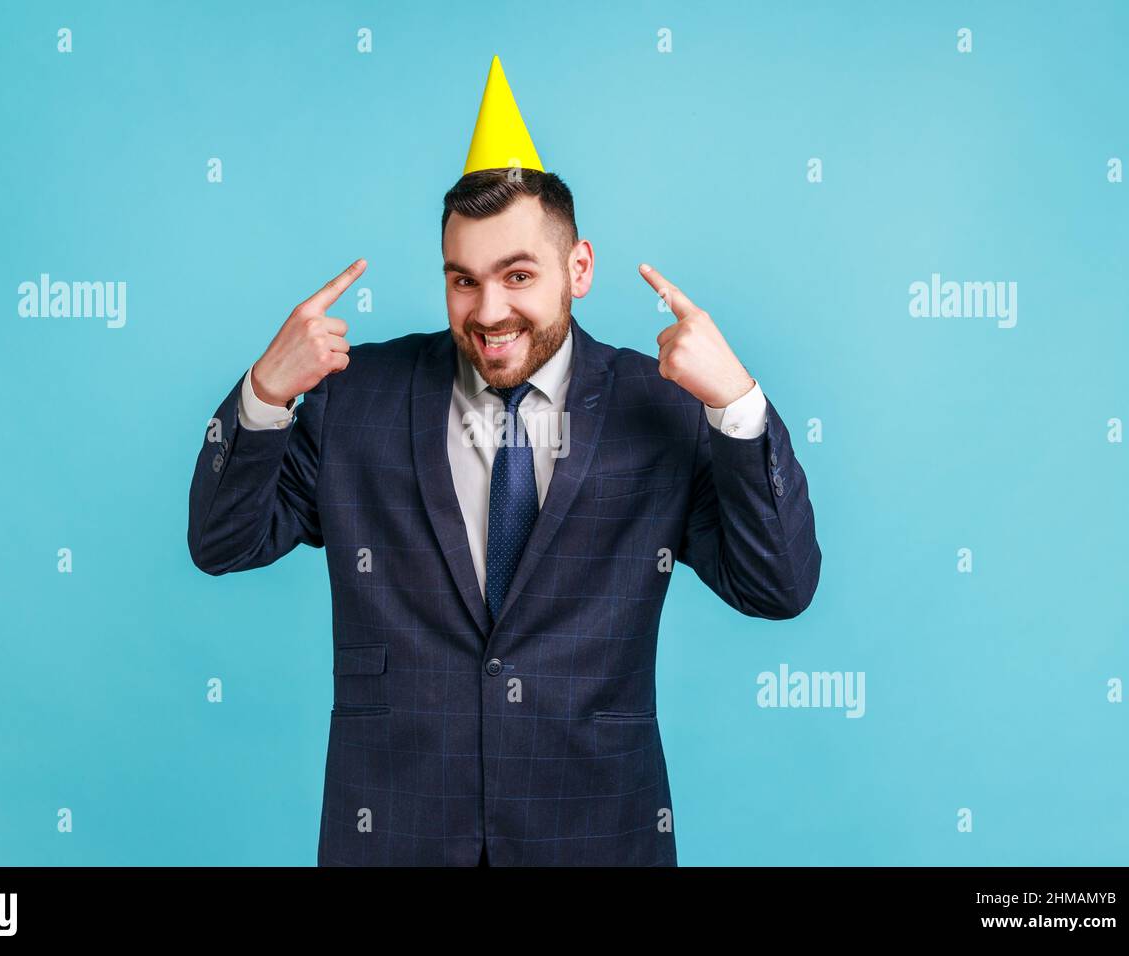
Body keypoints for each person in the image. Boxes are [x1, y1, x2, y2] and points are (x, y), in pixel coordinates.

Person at [187, 55, 821, 866]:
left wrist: (735, 404)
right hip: (395, 838)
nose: (489, 312)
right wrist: (266, 393)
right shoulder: (359, 400)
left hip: (594, 836)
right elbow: (222, 542)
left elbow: (780, 587)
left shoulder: (658, 407)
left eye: (518, 275)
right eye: (463, 280)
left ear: (578, 269)